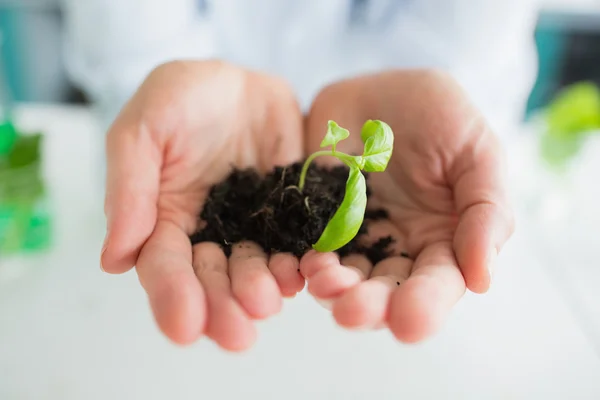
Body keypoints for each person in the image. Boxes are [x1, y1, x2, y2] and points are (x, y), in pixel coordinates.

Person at [62, 0, 539, 351]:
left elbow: (469, 37)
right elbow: (129, 36)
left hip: (424, 239)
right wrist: (153, 78)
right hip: (192, 160)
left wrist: (447, 86)